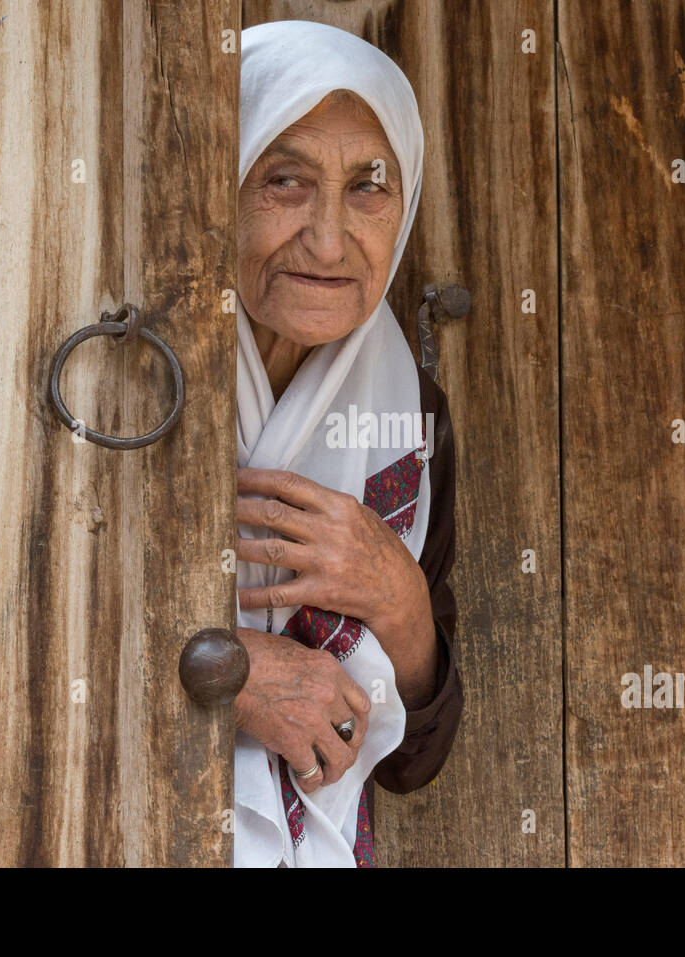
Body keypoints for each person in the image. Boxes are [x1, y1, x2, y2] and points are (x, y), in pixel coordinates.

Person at [233, 20, 463, 867]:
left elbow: (410, 756)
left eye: (369, 185)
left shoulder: (407, 418)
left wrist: (399, 601)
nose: (330, 242)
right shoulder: (131, 382)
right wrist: (231, 671)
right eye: (285, 179)